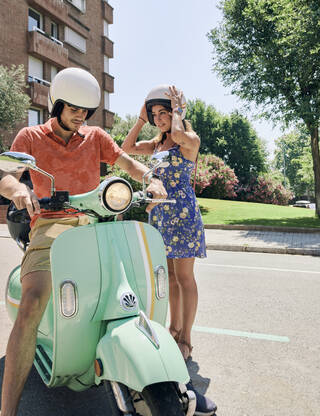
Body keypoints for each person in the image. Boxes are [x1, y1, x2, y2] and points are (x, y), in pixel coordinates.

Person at [0, 67, 167, 416]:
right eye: (73, 108)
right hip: (51, 227)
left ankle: (163, 377)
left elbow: (128, 164)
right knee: (32, 302)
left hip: (100, 224)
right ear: (56, 104)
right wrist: (18, 189)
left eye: (86, 110)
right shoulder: (30, 137)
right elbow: (7, 176)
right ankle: (8, 410)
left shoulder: (96, 137)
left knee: (136, 290)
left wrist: (151, 178)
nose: (80, 116)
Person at [122, 85, 207, 362]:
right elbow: (126, 148)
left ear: (176, 112)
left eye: (164, 112)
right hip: (159, 216)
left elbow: (180, 133)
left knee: (185, 278)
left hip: (183, 215)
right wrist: (140, 119)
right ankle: (173, 329)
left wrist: (179, 110)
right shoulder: (156, 144)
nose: (159, 119)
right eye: (154, 114)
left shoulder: (189, 140)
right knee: (169, 278)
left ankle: (186, 339)